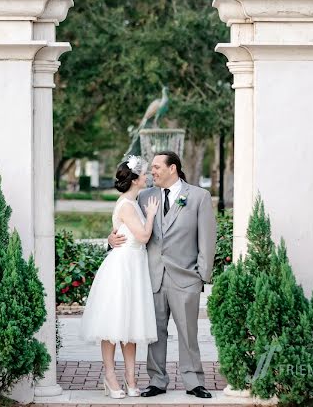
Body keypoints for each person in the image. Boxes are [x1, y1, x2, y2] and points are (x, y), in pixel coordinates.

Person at [109, 151, 216, 399]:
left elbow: (207, 240)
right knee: (155, 333)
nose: (152, 172)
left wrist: (202, 276)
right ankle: (157, 380)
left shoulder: (199, 197)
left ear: (173, 169)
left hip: (186, 278)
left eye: (156, 167)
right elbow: (123, 225)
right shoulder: (144, 197)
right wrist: (110, 239)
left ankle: (194, 382)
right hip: (151, 276)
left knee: (188, 332)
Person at [79, 155, 159, 399]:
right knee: (113, 326)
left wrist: (110, 237)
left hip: (135, 265)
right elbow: (143, 237)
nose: (147, 177)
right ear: (135, 179)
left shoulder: (133, 202)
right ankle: (111, 376)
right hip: (123, 267)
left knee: (131, 326)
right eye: (144, 174)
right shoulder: (126, 204)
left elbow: (122, 232)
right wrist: (152, 214)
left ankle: (131, 378)